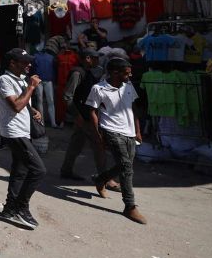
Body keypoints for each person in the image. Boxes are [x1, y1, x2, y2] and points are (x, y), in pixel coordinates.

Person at [87, 58, 147, 224]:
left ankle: (101, 179)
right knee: (126, 167)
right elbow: (92, 111)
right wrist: (98, 134)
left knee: (125, 165)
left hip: (129, 132)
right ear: (115, 73)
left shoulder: (128, 86)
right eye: (127, 73)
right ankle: (130, 206)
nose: (130, 75)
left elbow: (132, 108)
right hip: (111, 130)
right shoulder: (98, 89)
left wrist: (138, 130)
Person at [0, 48, 46, 230]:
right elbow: (16, 105)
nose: (29, 65)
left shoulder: (20, 81)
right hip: (14, 132)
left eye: (29, 62)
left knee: (20, 171)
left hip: (23, 131)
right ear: (12, 63)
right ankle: (21, 207)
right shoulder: (5, 80)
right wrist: (32, 87)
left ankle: (9, 208)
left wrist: (33, 110)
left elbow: (21, 103)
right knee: (39, 170)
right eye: (24, 62)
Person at [60, 49, 111, 181]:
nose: (98, 61)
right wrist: (78, 116)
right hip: (84, 117)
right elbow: (67, 96)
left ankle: (66, 170)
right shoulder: (78, 73)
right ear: (88, 58)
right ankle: (105, 178)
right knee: (99, 145)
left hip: (85, 115)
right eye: (95, 58)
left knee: (76, 144)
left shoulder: (87, 72)